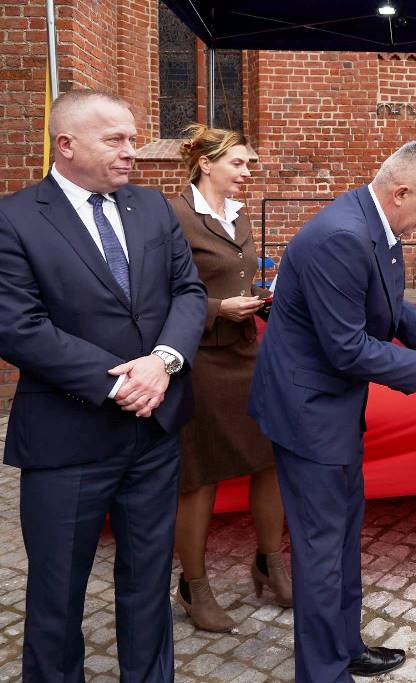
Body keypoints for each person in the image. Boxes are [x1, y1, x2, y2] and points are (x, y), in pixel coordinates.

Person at [0, 90, 207, 681]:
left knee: (148, 583)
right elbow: (17, 326)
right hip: (67, 440)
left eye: (133, 139)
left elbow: (188, 291)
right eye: (115, 140)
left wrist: (163, 362)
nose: (131, 152)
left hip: (154, 435)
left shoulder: (151, 206)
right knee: (57, 595)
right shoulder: (14, 218)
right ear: (66, 145)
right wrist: (117, 384)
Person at [248, 140, 416, 683]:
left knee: (342, 537)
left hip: (334, 409)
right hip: (308, 412)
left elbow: (386, 309)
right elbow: (345, 347)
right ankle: (323, 672)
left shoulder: (377, 226)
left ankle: (344, 647)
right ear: (401, 192)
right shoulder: (342, 237)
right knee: (321, 549)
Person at [168, 123, 291, 633]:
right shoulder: (175, 216)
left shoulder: (238, 216)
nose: (246, 172)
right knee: (201, 476)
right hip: (201, 361)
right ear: (206, 164)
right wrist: (219, 308)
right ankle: (193, 586)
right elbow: (163, 293)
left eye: (248, 164)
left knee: (270, 459)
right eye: (238, 163)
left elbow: (237, 276)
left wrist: (264, 299)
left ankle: (269, 563)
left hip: (246, 354)